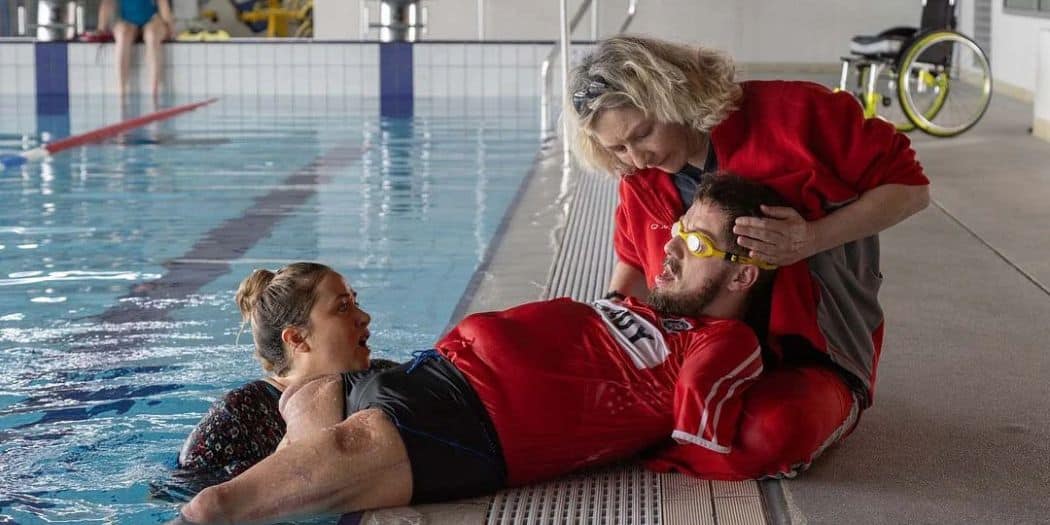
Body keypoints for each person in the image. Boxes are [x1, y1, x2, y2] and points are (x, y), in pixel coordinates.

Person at [177, 175, 790, 524]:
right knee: (295, 434)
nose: (673, 248)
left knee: (218, 506)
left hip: (471, 426)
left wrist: (641, 445)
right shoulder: (639, 306)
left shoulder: (726, 340)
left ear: (742, 278)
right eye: (680, 231)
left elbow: (702, 434)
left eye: (699, 247)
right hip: (431, 377)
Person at [565, 35, 930, 478]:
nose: (637, 158)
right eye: (618, 148)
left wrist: (812, 238)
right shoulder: (637, 176)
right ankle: (671, 433)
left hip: (809, 357)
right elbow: (634, 270)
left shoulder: (796, 116)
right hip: (692, 351)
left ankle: (654, 439)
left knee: (772, 432)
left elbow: (911, 189)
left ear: (673, 95)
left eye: (643, 133)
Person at [174, 262, 398, 490]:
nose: (364, 316)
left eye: (355, 303)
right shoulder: (240, 414)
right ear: (296, 338)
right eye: (343, 307)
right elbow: (177, 497)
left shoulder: (382, 377)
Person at [102, 0, 175, 97]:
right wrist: (101, 28)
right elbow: (107, 3)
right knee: (122, 35)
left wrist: (170, 28)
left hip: (153, 20)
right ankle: (122, 92)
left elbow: (162, 3)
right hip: (128, 22)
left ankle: (154, 92)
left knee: (151, 35)